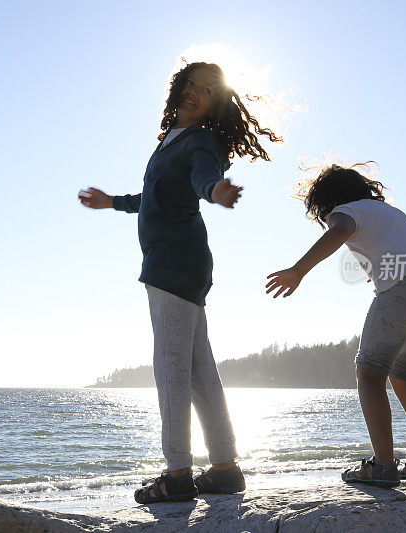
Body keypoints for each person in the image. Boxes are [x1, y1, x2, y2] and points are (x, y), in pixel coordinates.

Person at [79, 61, 280, 503]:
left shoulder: (200, 141)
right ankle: (224, 468)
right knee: (197, 370)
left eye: (207, 90)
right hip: (177, 262)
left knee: (170, 368)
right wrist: (111, 202)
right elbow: (154, 198)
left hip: (174, 263)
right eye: (192, 84)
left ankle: (177, 474)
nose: (195, 92)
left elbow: (203, 176)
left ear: (215, 105)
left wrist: (216, 191)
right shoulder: (169, 142)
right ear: (179, 88)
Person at [265, 163, 406, 488]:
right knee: (403, 374)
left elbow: (339, 232)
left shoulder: (345, 212)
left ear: (325, 200)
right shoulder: (387, 212)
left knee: (369, 373)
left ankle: (382, 465)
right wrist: (396, 256)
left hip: (404, 289)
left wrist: (298, 270)